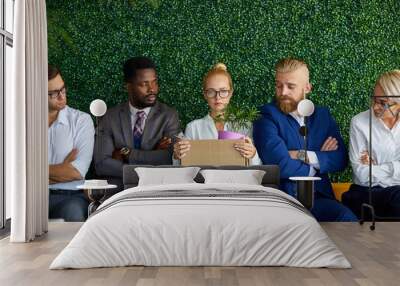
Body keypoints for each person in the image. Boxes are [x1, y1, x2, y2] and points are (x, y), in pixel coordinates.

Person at [253, 58, 357, 221]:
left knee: (347, 219)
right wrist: (316, 166)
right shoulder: (266, 115)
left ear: (307, 88)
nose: (283, 92)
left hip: (320, 198)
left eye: (290, 86)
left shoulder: (322, 116)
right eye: (279, 85)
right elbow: (280, 164)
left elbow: (340, 159)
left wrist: (303, 155)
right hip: (284, 199)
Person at [94, 56, 181, 188]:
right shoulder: (109, 118)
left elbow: (168, 158)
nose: (152, 89)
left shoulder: (168, 116)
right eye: (144, 84)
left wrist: (127, 153)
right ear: (128, 87)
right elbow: (102, 164)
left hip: (156, 189)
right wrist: (150, 163)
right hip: (118, 190)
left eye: (154, 82)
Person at [173, 63, 261, 165]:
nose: (217, 97)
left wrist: (253, 154)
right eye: (211, 91)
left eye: (223, 91)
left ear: (231, 92)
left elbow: (256, 168)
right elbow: (182, 167)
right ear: (205, 94)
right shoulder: (193, 128)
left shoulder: (245, 125)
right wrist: (177, 155)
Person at [343, 70, 400, 218]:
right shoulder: (360, 122)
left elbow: (368, 172)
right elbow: (362, 175)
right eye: (374, 100)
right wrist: (395, 167)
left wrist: (376, 168)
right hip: (365, 193)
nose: (375, 107)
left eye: (383, 103)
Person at [48, 65, 94, 221]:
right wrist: (61, 168)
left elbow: (76, 172)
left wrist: (32, 171)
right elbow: (11, 170)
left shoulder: (81, 120)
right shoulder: (21, 122)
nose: (62, 97)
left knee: (73, 214)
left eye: (62, 89)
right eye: (53, 94)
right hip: (26, 195)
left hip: (68, 196)